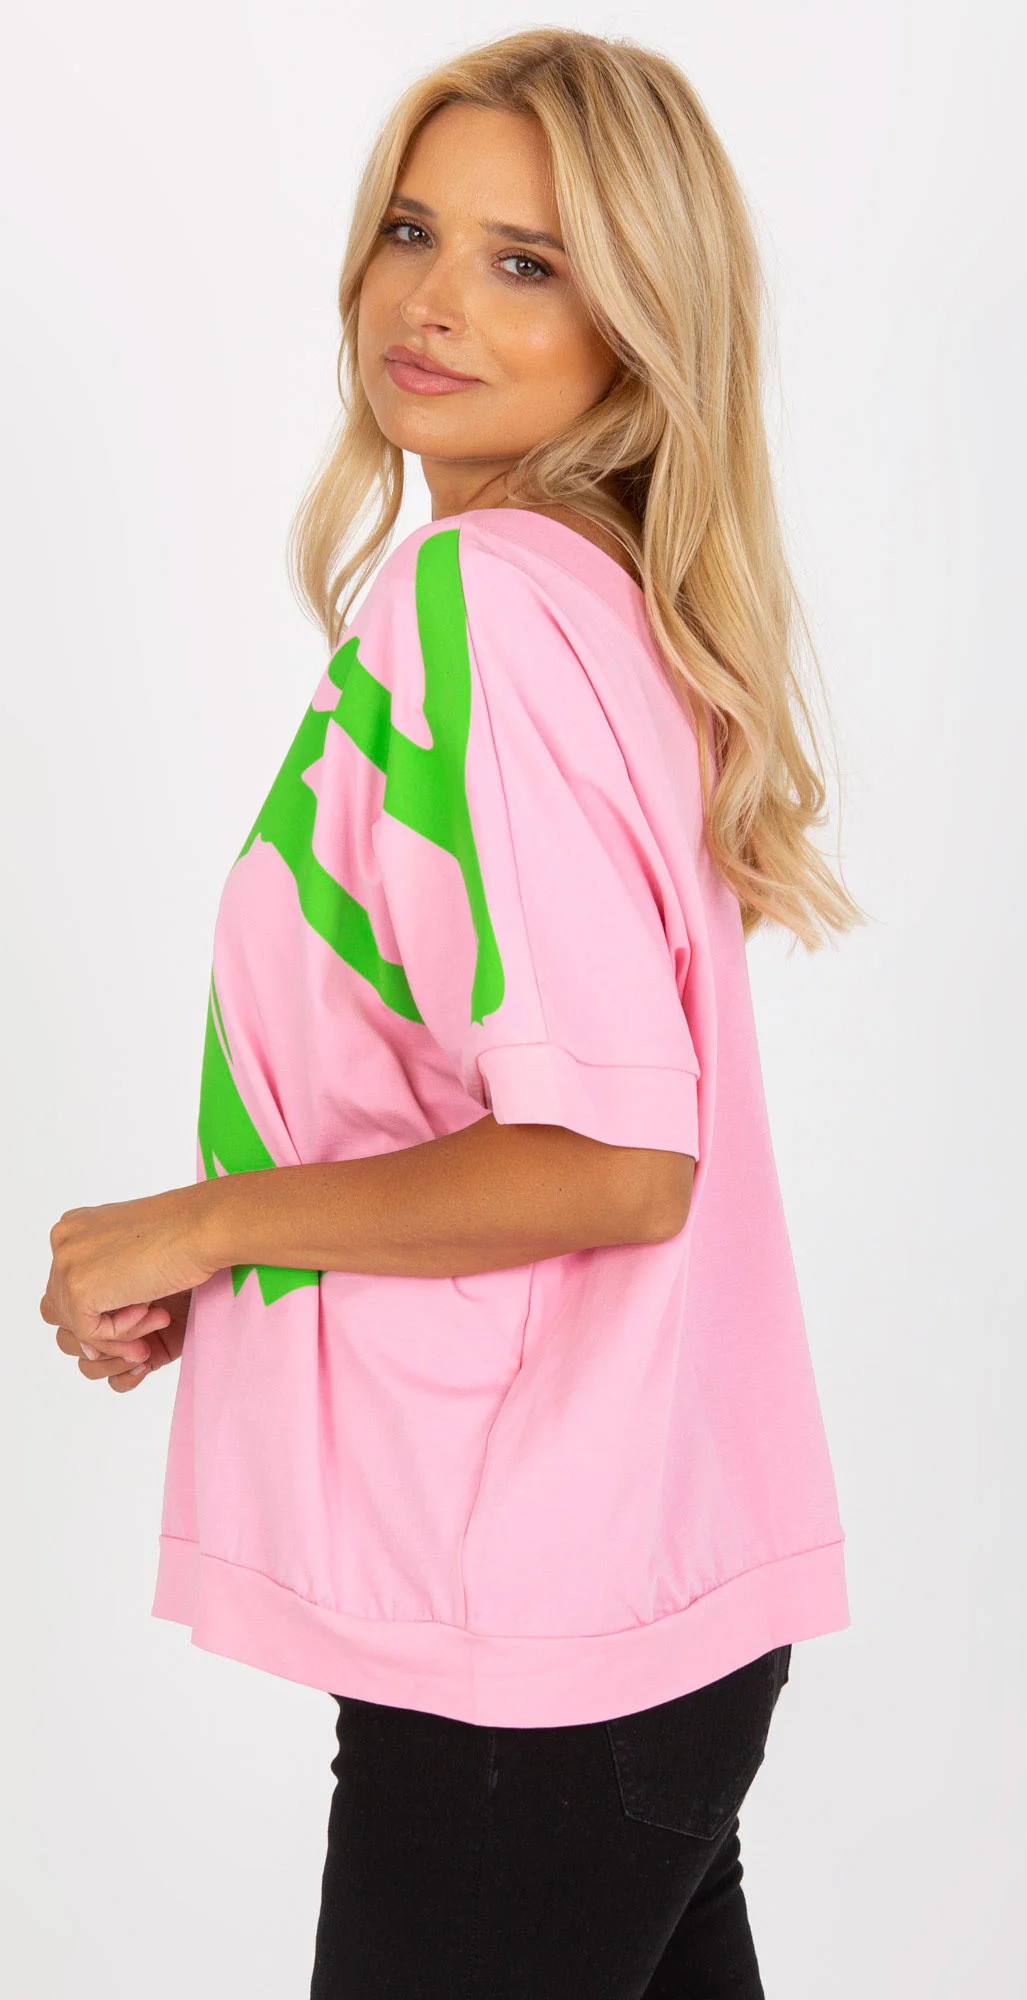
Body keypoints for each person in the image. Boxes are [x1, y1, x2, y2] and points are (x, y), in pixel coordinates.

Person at [40, 27, 861, 1998]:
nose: (432, 300)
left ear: (638, 327)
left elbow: (617, 1159)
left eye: (527, 261)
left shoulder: (482, 601)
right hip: (624, 1615)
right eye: (415, 230)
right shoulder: (599, 600)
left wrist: (202, 1220)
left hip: (534, 1653)